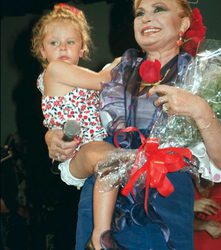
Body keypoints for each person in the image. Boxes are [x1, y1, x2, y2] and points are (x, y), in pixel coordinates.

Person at [44, 0, 221, 249]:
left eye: (158, 9)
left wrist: (200, 110)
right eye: (140, 12)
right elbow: (75, 117)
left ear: (183, 23)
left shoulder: (204, 76)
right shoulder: (115, 71)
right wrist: (55, 137)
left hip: (166, 205)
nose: (146, 18)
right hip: (102, 205)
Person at [31, 4, 125, 249]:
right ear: (41, 50)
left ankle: (102, 232)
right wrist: (123, 61)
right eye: (54, 43)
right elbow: (103, 80)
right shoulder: (56, 69)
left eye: (70, 42)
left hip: (91, 144)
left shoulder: (78, 74)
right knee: (110, 159)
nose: (62, 48)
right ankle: (99, 235)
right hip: (80, 146)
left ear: (82, 47)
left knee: (113, 162)